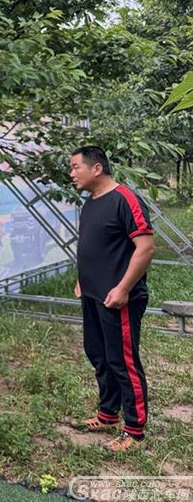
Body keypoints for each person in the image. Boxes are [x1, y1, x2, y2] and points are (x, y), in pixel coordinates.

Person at [69, 146, 154, 452]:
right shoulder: (90, 203)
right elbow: (96, 246)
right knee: (98, 354)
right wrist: (83, 279)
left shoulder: (125, 199)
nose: (71, 174)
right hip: (93, 295)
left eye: (75, 167)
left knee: (123, 361)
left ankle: (134, 430)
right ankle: (108, 415)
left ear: (97, 168)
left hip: (119, 299)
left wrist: (123, 289)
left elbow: (146, 248)